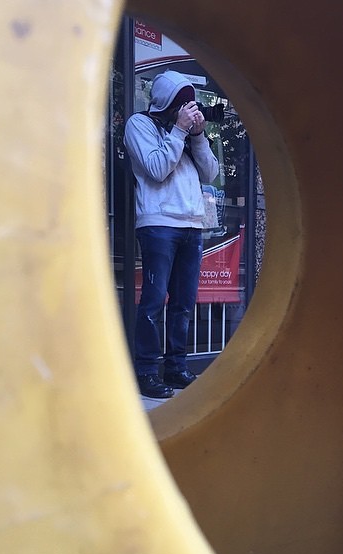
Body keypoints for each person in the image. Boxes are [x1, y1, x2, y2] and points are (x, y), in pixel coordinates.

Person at [124, 70, 220, 398]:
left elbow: (211, 173)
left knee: (183, 303)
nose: (188, 110)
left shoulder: (186, 135)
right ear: (167, 102)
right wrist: (179, 130)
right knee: (153, 301)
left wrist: (197, 135)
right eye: (182, 103)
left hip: (192, 225)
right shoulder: (139, 124)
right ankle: (146, 372)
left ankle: (176, 367)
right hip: (159, 225)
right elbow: (156, 169)